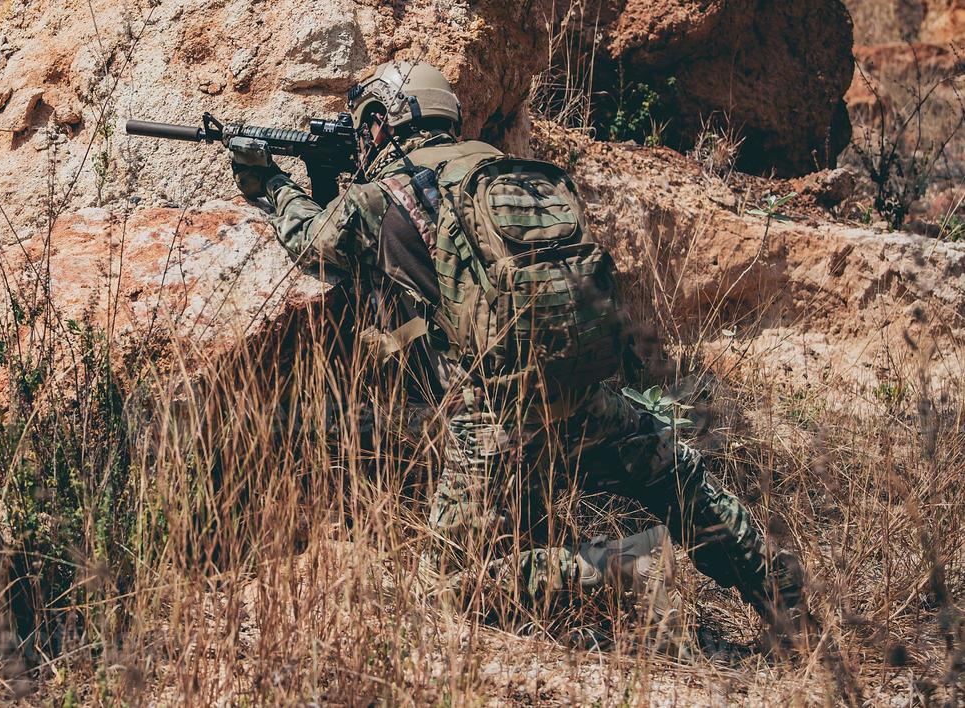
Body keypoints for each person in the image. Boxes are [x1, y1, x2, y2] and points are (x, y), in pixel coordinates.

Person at [226, 60, 815, 651]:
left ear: (382, 123)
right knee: (681, 482)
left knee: (455, 585)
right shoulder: (505, 171)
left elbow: (313, 242)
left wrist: (272, 185)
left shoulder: (379, 197)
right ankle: (787, 598)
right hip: (580, 387)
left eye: (363, 128)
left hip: (496, 416)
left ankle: (624, 572)